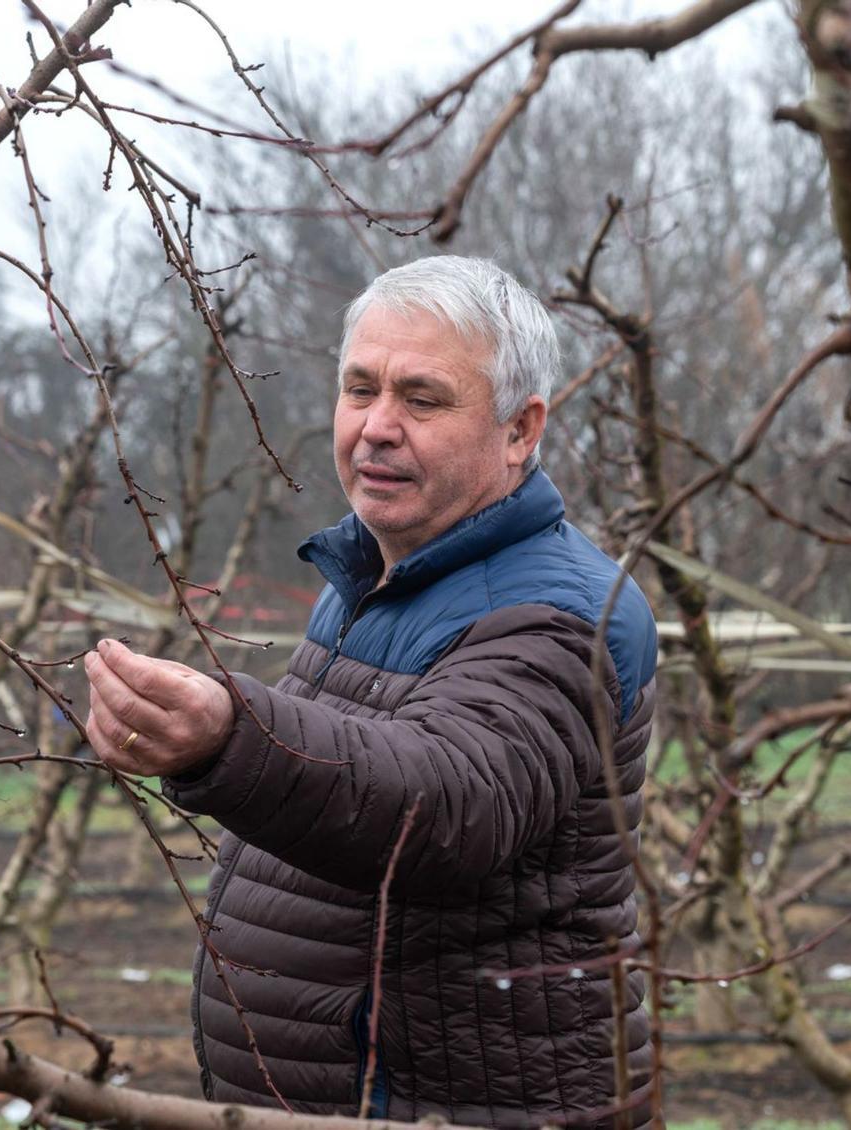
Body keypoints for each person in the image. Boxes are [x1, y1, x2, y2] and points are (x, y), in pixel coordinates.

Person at [84, 256, 658, 1129]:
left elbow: (446, 803)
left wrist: (230, 737)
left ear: (520, 429)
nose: (377, 427)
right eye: (361, 390)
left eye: (422, 400)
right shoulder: (373, 577)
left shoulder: (559, 617)